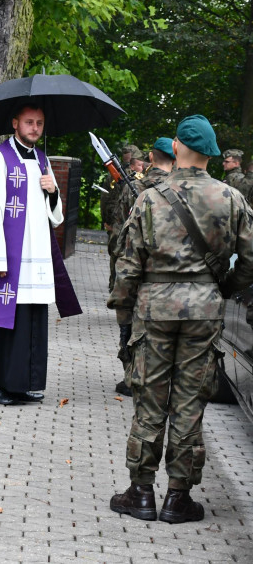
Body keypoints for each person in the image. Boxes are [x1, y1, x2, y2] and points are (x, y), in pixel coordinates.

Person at [108, 114, 253, 524]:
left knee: (149, 400)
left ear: (175, 147)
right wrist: (221, 289)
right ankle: (177, 497)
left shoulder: (150, 197)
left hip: (154, 309)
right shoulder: (231, 198)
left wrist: (124, 312)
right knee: (190, 402)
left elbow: (128, 264)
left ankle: (140, 493)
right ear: (212, 153)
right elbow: (251, 259)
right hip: (204, 311)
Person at [0, 105, 80, 406]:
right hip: (6, 260)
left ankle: (19, 383)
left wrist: (53, 192)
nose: (35, 128)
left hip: (34, 259)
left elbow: (56, 217)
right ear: (15, 123)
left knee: (29, 321)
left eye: (39, 123)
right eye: (29, 122)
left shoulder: (42, 161)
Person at [110, 138, 175, 397]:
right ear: (176, 158)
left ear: (150, 156)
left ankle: (131, 376)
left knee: (128, 323)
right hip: (170, 272)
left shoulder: (134, 187)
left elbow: (119, 228)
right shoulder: (183, 189)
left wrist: (118, 261)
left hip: (134, 266)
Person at [101, 144, 142, 292]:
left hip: (117, 220)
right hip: (121, 219)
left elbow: (105, 198)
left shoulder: (117, 174)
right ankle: (117, 285)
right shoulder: (138, 177)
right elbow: (106, 197)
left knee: (115, 252)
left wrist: (106, 219)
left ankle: (115, 284)